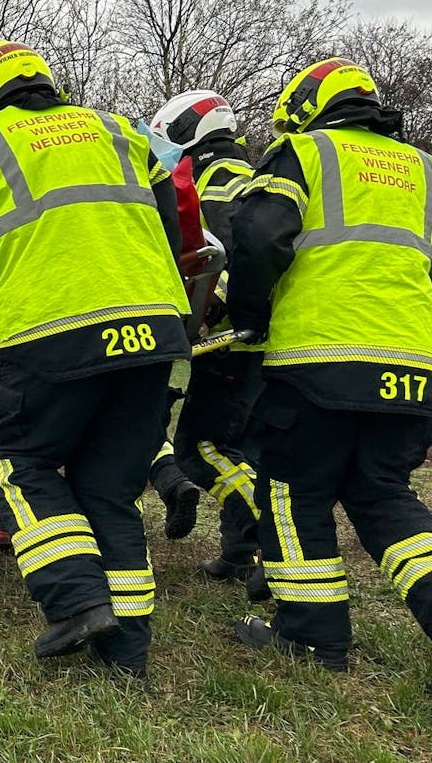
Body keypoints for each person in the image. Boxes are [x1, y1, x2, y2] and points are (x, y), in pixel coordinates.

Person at [228, 57, 432, 703]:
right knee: (383, 495)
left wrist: (247, 313)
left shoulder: (302, 152)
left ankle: (312, 636)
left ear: (302, 107)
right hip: (411, 370)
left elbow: (261, 234)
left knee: (291, 492)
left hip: (319, 362)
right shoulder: (426, 170)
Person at [0, 41, 191, 677]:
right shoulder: (120, 130)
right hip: (152, 334)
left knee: (25, 467)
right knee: (111, 491)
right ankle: (126, 654)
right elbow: (176, 222)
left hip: (49, 336)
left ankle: (75, 601)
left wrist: (2, 308)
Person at [150, 90, 267, 597]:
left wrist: (203, 311)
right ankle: (239, 554)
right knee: (242, 448)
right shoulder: (255, 175)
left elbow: (221, 258)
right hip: (269, 340)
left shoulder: (214, 182)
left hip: (231, 341)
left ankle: (276, 534)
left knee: (201, 449)